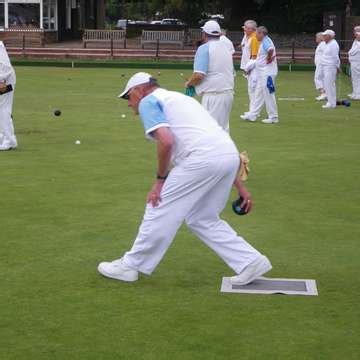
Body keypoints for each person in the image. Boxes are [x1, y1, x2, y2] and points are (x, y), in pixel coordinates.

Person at [98, 72, 272, 285]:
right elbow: (215, 143)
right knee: (202, 218)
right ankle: (250, 261)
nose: (128, 103)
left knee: (158, 205)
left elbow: (166, 141)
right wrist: (239, 186)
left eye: (128, 97)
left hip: (202, 159)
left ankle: (130, 266)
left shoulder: (149, 102)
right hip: (228, 156)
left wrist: (160, 181)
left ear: (140, 90)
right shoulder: (181, 99)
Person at [185, 20, 234, 132]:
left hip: (214, 96)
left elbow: (198, 75)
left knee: (210, 132)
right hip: (228, 94)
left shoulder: (204, 48)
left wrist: (189, 83)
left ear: (204, 34)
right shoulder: (225, 47)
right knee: (222, 130)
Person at [241, 26, 279, 124]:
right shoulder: (264, 41)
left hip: (268, 73)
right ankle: (253, 115)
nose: (255, 36)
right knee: (259, 94)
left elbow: (270, 50)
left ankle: (273, 117)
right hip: (263, 73)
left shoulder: (266, 41)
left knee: (268, 94)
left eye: (257, 33)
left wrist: (269, 58)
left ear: (261, 33)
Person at [239, 20, 260, 120]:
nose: (244, 29)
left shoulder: (254, 38)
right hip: (248, 67)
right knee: (251, 90)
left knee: (253, 90)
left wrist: (248, 69)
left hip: (253, 68)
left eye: (246, 28)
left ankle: (253, 113)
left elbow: (254, 56)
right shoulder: (247, 37)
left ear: (252, 29)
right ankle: (253, 111)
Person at [0, 41, 17, 151]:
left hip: (5, 81)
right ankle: (5, 136)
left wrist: (1, 80)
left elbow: (5, 65)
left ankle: (9, 140)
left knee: (3, 108)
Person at [320, 29, 340, 109]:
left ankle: (331, 103)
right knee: (327, 85)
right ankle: (331, 102)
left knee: (329, 85)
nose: (323, 37)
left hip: (330, 67)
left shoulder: (333, 44)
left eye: (325, 35)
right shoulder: (328, 44)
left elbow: (335, 57)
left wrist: (337, 66)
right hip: (326, 67)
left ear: (330, 36)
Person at [348, 26, 360, 100]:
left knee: (358, 78)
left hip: (358, 63)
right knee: (354, 78)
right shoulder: (356, 41)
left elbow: (352, 52)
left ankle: (358, 94)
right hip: (354, 63)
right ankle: (355, 92)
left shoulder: (358, 42)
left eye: (356, 31)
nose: (354, 33)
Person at [314, 32, 327, 101]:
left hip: (321, 65)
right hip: (320, 65)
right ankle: (324, 94)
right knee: (321, 79)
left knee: (317, 78)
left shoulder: (322, 44)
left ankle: (323, 93)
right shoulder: (321, 44)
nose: (316, 38)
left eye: (317, 37)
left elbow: (326, 53)